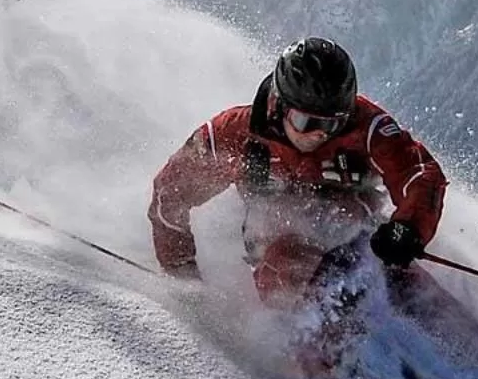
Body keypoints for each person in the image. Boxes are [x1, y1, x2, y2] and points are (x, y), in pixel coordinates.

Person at [147, 37, 449, 310]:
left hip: (360, 236)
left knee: (405, 281)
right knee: (287, 267)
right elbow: (170, 193)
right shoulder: (236, 135)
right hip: (279, 245)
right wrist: (182, 276)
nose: (319, 134)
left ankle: (458, 346)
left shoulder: (367, 128)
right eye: (306, 122)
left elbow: (421, 175)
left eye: (332, 124)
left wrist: (407, 230)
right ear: (278, 105)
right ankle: (309, 352)